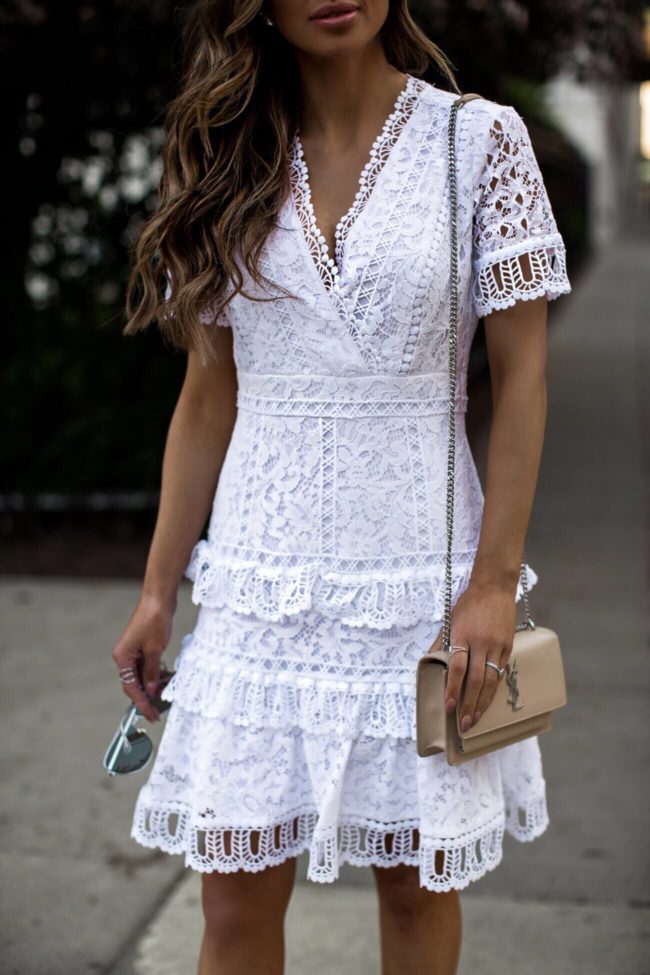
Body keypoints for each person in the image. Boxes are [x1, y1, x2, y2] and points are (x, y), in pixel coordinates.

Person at [112, 0, 572, 972]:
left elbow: (523, 380)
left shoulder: (476, 141)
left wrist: (493, 584)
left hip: (418, 588)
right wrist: (159, 592)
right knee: (232, 906)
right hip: (256, 589)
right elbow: (207, 397)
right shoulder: (228, 155)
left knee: (414, 891)